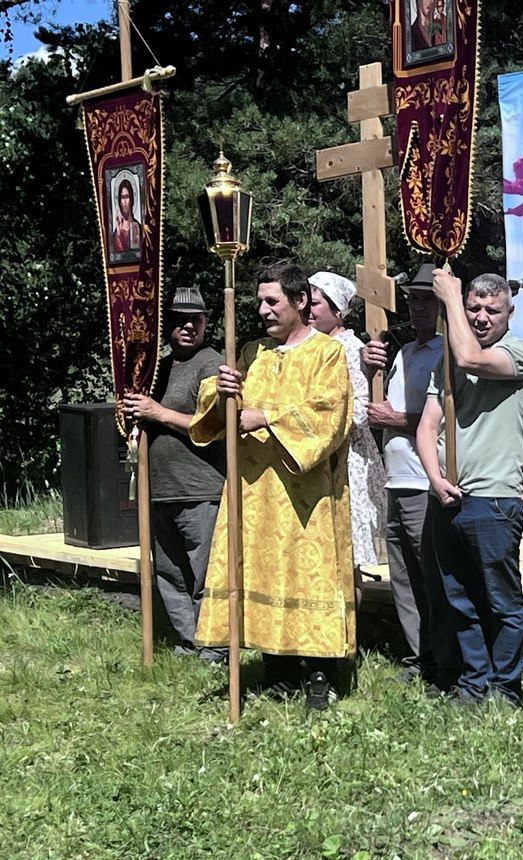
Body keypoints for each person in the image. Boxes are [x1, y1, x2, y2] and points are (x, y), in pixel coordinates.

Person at [191, 263, 355, 710]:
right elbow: (216, 408)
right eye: (259, 301)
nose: (263, 310)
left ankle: (320, 673)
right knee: (261, 570)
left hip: (306, 495)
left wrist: (266, 416)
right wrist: (221, 391)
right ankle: (276, 669)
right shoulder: (252, 352)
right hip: (255, 492)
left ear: (300, 301)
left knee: (308, 574)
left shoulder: (327, 353)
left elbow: (331, 413)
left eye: (272, 301)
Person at [416, 270, 523, 705]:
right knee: (460, 599)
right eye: (474, 308)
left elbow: (471, 359)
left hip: (495, 499)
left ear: (510, 313)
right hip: (449, 497)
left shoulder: (521, 354)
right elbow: (427, 426)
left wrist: (450, 297)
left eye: (492, 310)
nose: (482, 317)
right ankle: (474, 682)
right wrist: (435, 479)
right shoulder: (447, 362)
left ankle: (506, 688)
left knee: (502, 600)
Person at [122, 287, 225, 659]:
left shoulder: (212, 364)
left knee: (205, 573)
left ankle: (214, 647)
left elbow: (214, 424)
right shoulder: (156, 368)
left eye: (195, 320)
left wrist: (158, 412)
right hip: (159, 486)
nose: (188, 327)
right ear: (166, 325)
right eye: (180, 320)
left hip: (199, 486)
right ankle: (187, 641)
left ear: (206, 322)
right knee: (170, 573)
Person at [362, 266, 450, 685]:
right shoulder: (405, 353)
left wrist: (395, 420)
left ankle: (443, 659)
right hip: (395, 479)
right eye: (413, 299)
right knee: (402, 577)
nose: (418, 308)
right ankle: (418, 657)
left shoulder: (446, 352)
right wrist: (368, 370)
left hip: (422, 480)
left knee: (430, 573)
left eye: (427, 300)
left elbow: (446, 419)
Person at [309, 270, 387, 568]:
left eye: (315, 303)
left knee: (345, 551)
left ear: (337, 310)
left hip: (347, 454)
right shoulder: (310, 347)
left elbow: (359, 411)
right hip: (317, 453)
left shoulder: (351, 349)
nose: (308, 310)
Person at [111, 177, 141, 254]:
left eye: (127, 196)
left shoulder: (136, 227)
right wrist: (118, 231)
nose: (124, 201)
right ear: (119, 201)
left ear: (131, 200)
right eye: (122, 197)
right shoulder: (116, 232)